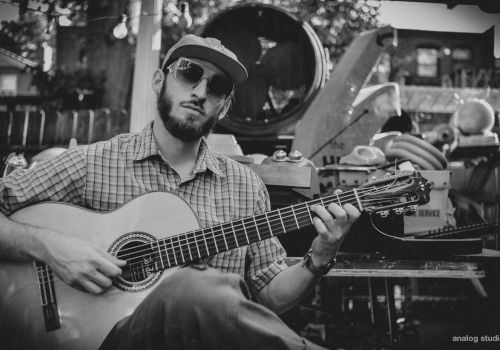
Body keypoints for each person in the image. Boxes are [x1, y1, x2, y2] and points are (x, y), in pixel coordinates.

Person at [0, 34, 360, 350]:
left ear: (225, 105)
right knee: (192, 288)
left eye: (217, 87)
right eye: (188, 73)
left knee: (203, 292)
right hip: (102, 340)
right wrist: (51, 247)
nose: (201, 92)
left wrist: (319, 256)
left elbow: (267, 298)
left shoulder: (246, 186)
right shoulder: (91, 163)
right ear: (160, 80)